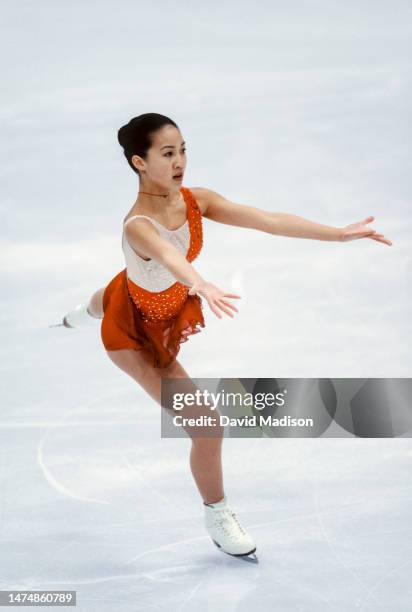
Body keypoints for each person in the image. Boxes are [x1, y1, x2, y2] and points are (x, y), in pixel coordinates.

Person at [61, 113, 392, 558]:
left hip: (149, 297)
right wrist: (200, 283)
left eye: (182, 150)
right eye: (167, 153)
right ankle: (216, 512)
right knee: (208, 427)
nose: (180, 161)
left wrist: (336, 235)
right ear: (139, 162)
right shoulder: (138, 225)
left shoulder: (196, 201)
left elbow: (265, 219)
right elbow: (165, 254)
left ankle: (82, 311)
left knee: (121, 288)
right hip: (137, 338)